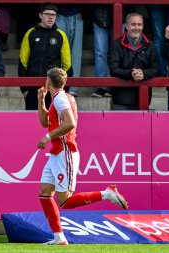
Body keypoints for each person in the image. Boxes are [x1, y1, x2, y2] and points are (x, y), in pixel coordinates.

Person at [37, 67, 128, 245]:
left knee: (64, 201)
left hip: (65, 152)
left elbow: (70, 124)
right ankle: (59, 237)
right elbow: (44, 122)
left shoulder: (62, 99)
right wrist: (41, 100)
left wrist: (47, 137)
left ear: (49, 81)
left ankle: (107, 194)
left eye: (46, 79)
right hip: (56, 153)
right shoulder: (59, 98)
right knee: (45, 193)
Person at [19, 3, 73, 110]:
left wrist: (63, 89)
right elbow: (22, 62)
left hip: (54, 88)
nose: (50, 17)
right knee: (32, 122)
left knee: (53, 123)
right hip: (33, 88)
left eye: (53, 15)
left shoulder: (61, 35)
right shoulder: (30, 33)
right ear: (40, 15)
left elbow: (67, 66)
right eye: (47, 14)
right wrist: (24, 89)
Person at [109, 13, 159, 110]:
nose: (136, 27)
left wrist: (143, 73)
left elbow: (156, 69)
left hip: (143, 97)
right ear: (126, 26)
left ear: (143, 26)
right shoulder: (116, 44)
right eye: (133, 24)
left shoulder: (150, 45)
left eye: (139, 24)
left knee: (141, 126)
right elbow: (113, 69)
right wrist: (130, 73)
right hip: (120, 98)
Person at [55, 5, 83, 97]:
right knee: (58, 53)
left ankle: (73, 87)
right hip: (59, 13)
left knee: (76, 55)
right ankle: (59, 86)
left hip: (77, 13)